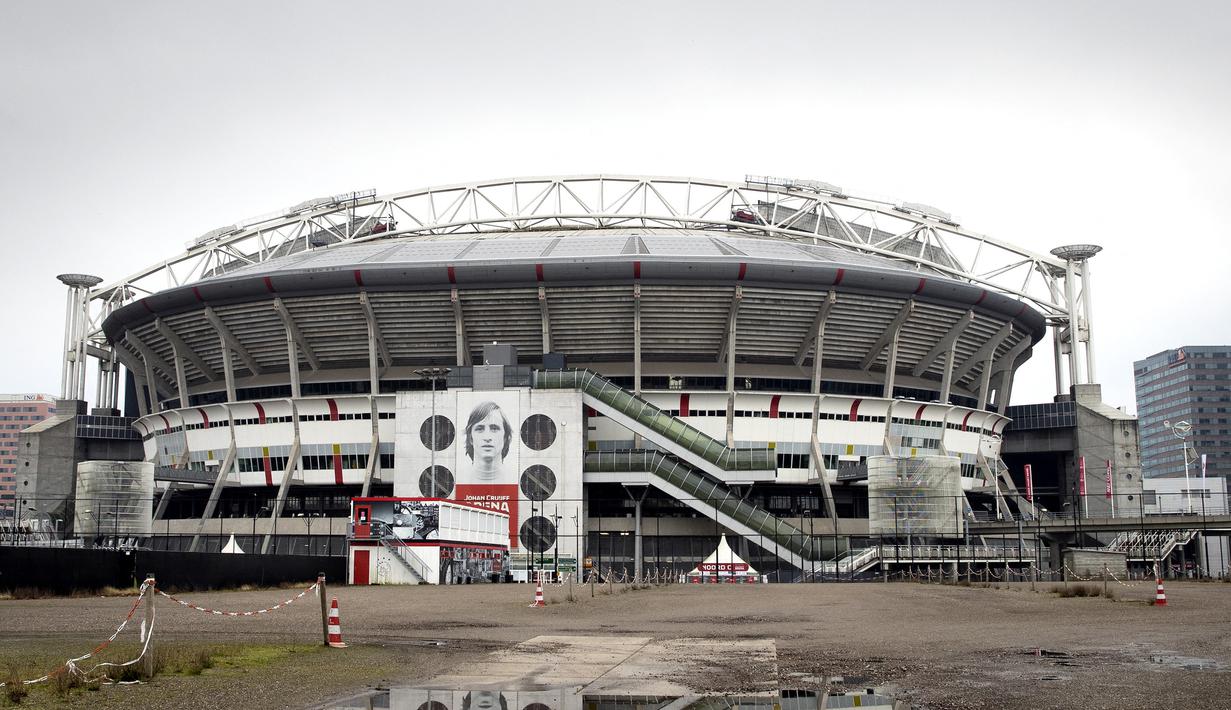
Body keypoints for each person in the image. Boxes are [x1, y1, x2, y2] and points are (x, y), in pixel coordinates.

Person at [464, 400, 513, 483]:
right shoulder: (460, 479)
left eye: (494, 428)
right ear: (470, 438)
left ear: (505, 437)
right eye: (479, 429)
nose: (487, 437)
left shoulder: (515, 479)